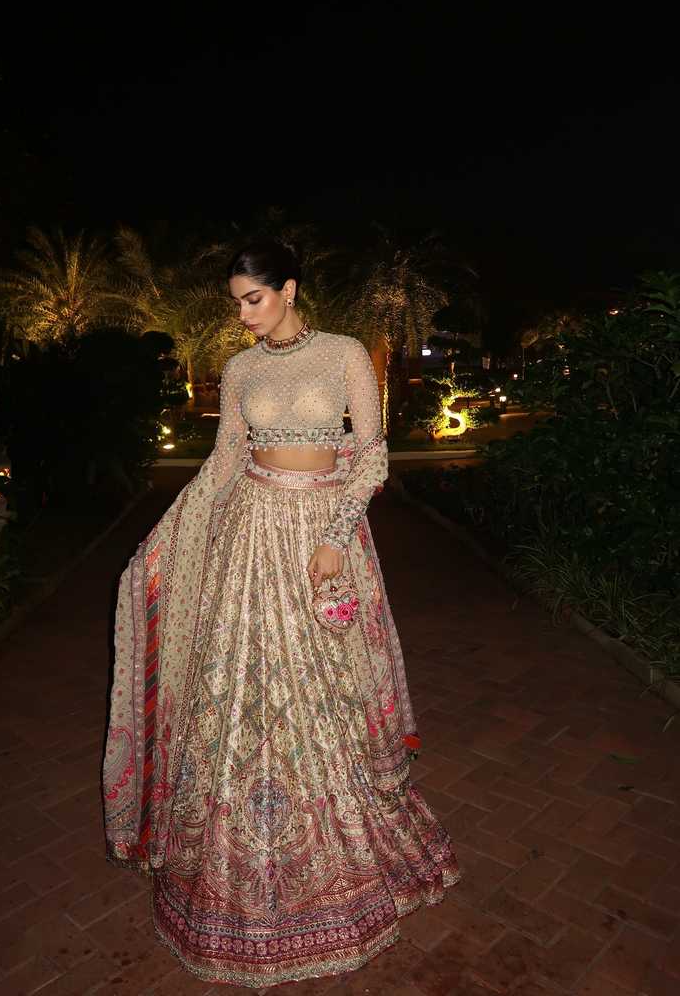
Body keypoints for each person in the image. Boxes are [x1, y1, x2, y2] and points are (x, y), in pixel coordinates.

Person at [101, 239, 461, 988]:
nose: (242, 315)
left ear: (288, 289)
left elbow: (372, 455)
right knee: (241, 688)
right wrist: (167, 536)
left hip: (323, 537)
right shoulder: (240, 370)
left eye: (253, 299)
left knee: (326, 688)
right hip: (251, 535)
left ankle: (346, 847)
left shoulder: (344, 355)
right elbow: (226, 458)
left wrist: (334, 535)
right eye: (237, 301)